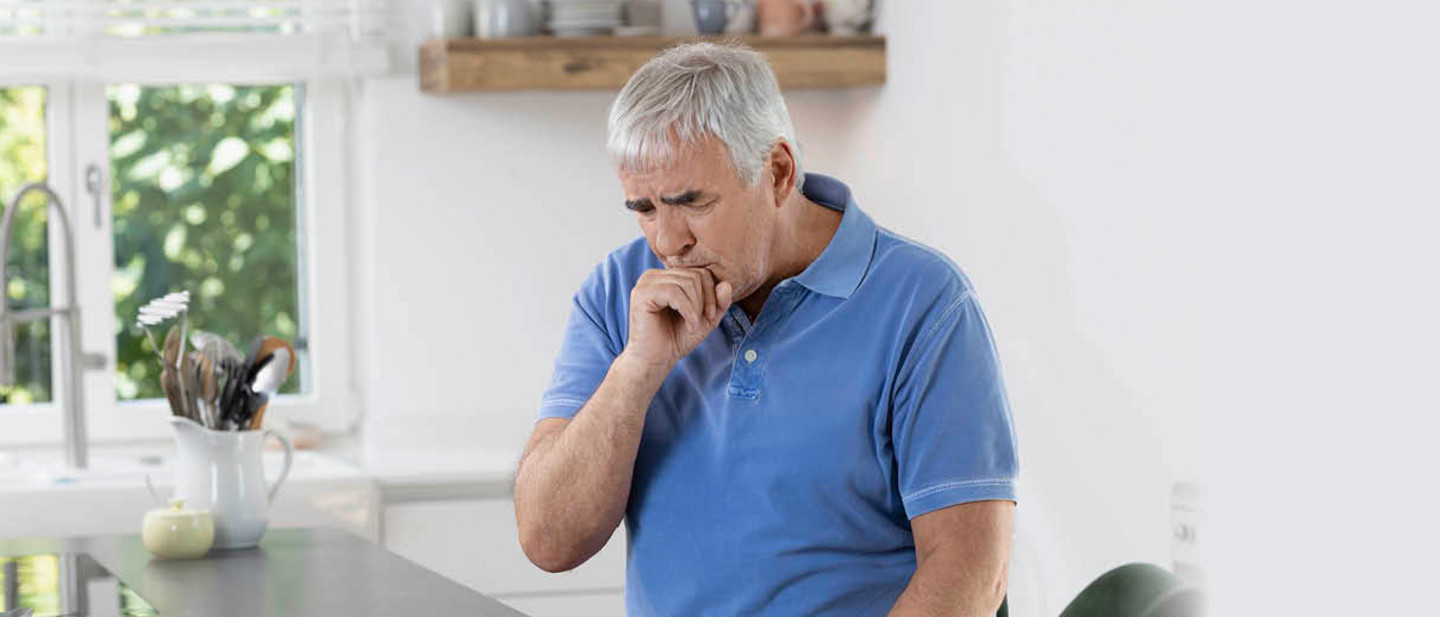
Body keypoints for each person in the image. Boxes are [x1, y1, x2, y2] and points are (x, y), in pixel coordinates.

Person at [513, 42, 1019, 616]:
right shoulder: (617, 291)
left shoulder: (925, 305)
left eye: (691, 202)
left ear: (777, 173)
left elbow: (970, 574)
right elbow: (547, 542)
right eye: (644, 209)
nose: (666, 241)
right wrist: (637, 370)